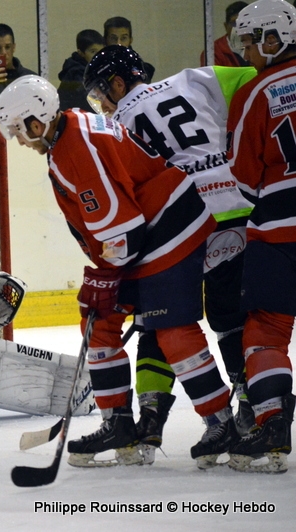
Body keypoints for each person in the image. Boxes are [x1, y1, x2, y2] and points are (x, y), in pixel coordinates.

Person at [0, 75, 235, 468]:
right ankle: (118, 423)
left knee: (171, 328)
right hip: (152, 228)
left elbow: (123, 231)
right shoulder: (70, 126)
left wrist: (103, 276)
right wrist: (103, 276)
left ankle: (221, 421)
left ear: (37, 122)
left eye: (19, 131)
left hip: (165, 229)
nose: (20, 141)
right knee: (100, 321)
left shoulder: (75, 149)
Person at [83, 45, 257, 462]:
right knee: (229, 317)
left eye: (101, 93)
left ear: (119, 84)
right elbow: (258, 81)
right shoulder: (196, 78)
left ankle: (152, 419)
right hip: (236, 206)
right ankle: (251, 407)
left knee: (159, 320)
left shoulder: (116, 124)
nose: (101, 104)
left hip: (179, 222)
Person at [225, 0, 296, 474]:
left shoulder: (258, 92)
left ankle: (272, 431)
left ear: (275, 38)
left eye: (251, 41)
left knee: (266, 330)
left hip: (278, 232)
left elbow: (244, 179)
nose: (248, 51)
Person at [57, 29, 104, 111]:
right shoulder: (76, 73)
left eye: (101, 52)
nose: (98, 56)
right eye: (93, 51)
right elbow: (92, 104)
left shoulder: (94, 68)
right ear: (80, 53)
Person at [103, 16, 156, 82]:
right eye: (113, 38)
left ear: (130, 40)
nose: (118, 43)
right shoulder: (97, 67)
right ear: (105, 40)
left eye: (124, 38)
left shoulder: (143, 69)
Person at [201, 2, 250, 66]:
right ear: (226, 26)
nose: (239, 28)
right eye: (234, 24)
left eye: (244, 23)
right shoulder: (213, 52)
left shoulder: (260, 46)